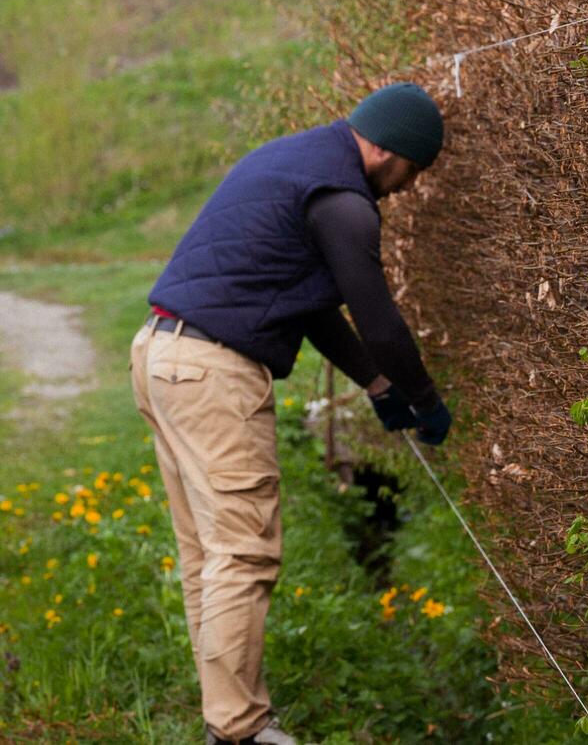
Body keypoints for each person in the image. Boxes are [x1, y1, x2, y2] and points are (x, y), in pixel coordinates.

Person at [128, 82, 454, 745]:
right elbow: (380, 320)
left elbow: (307, 305)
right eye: (414, 171)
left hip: (160, 355)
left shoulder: (293, 160)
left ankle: (230, 715)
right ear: (393, 151)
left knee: (208, 556)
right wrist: (425, 399)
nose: (409, 186)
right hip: (213, 375)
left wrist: (376, 385)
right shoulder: (345, 205)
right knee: (242, 554)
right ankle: (240, 732)